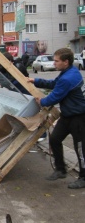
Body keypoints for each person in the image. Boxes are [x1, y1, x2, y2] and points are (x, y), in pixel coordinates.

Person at [28, 48, 85, 189]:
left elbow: (55, 96)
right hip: (67, 115)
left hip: (78, 117)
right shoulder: (67, 73)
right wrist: (35, 80)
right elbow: (54, 84)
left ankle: (83, 178)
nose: (54, 63)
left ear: (66, 62)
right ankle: (61, 169)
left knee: (80, 149)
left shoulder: (68, 77)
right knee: (54, 139)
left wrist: (42, 102)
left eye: (56, 61)